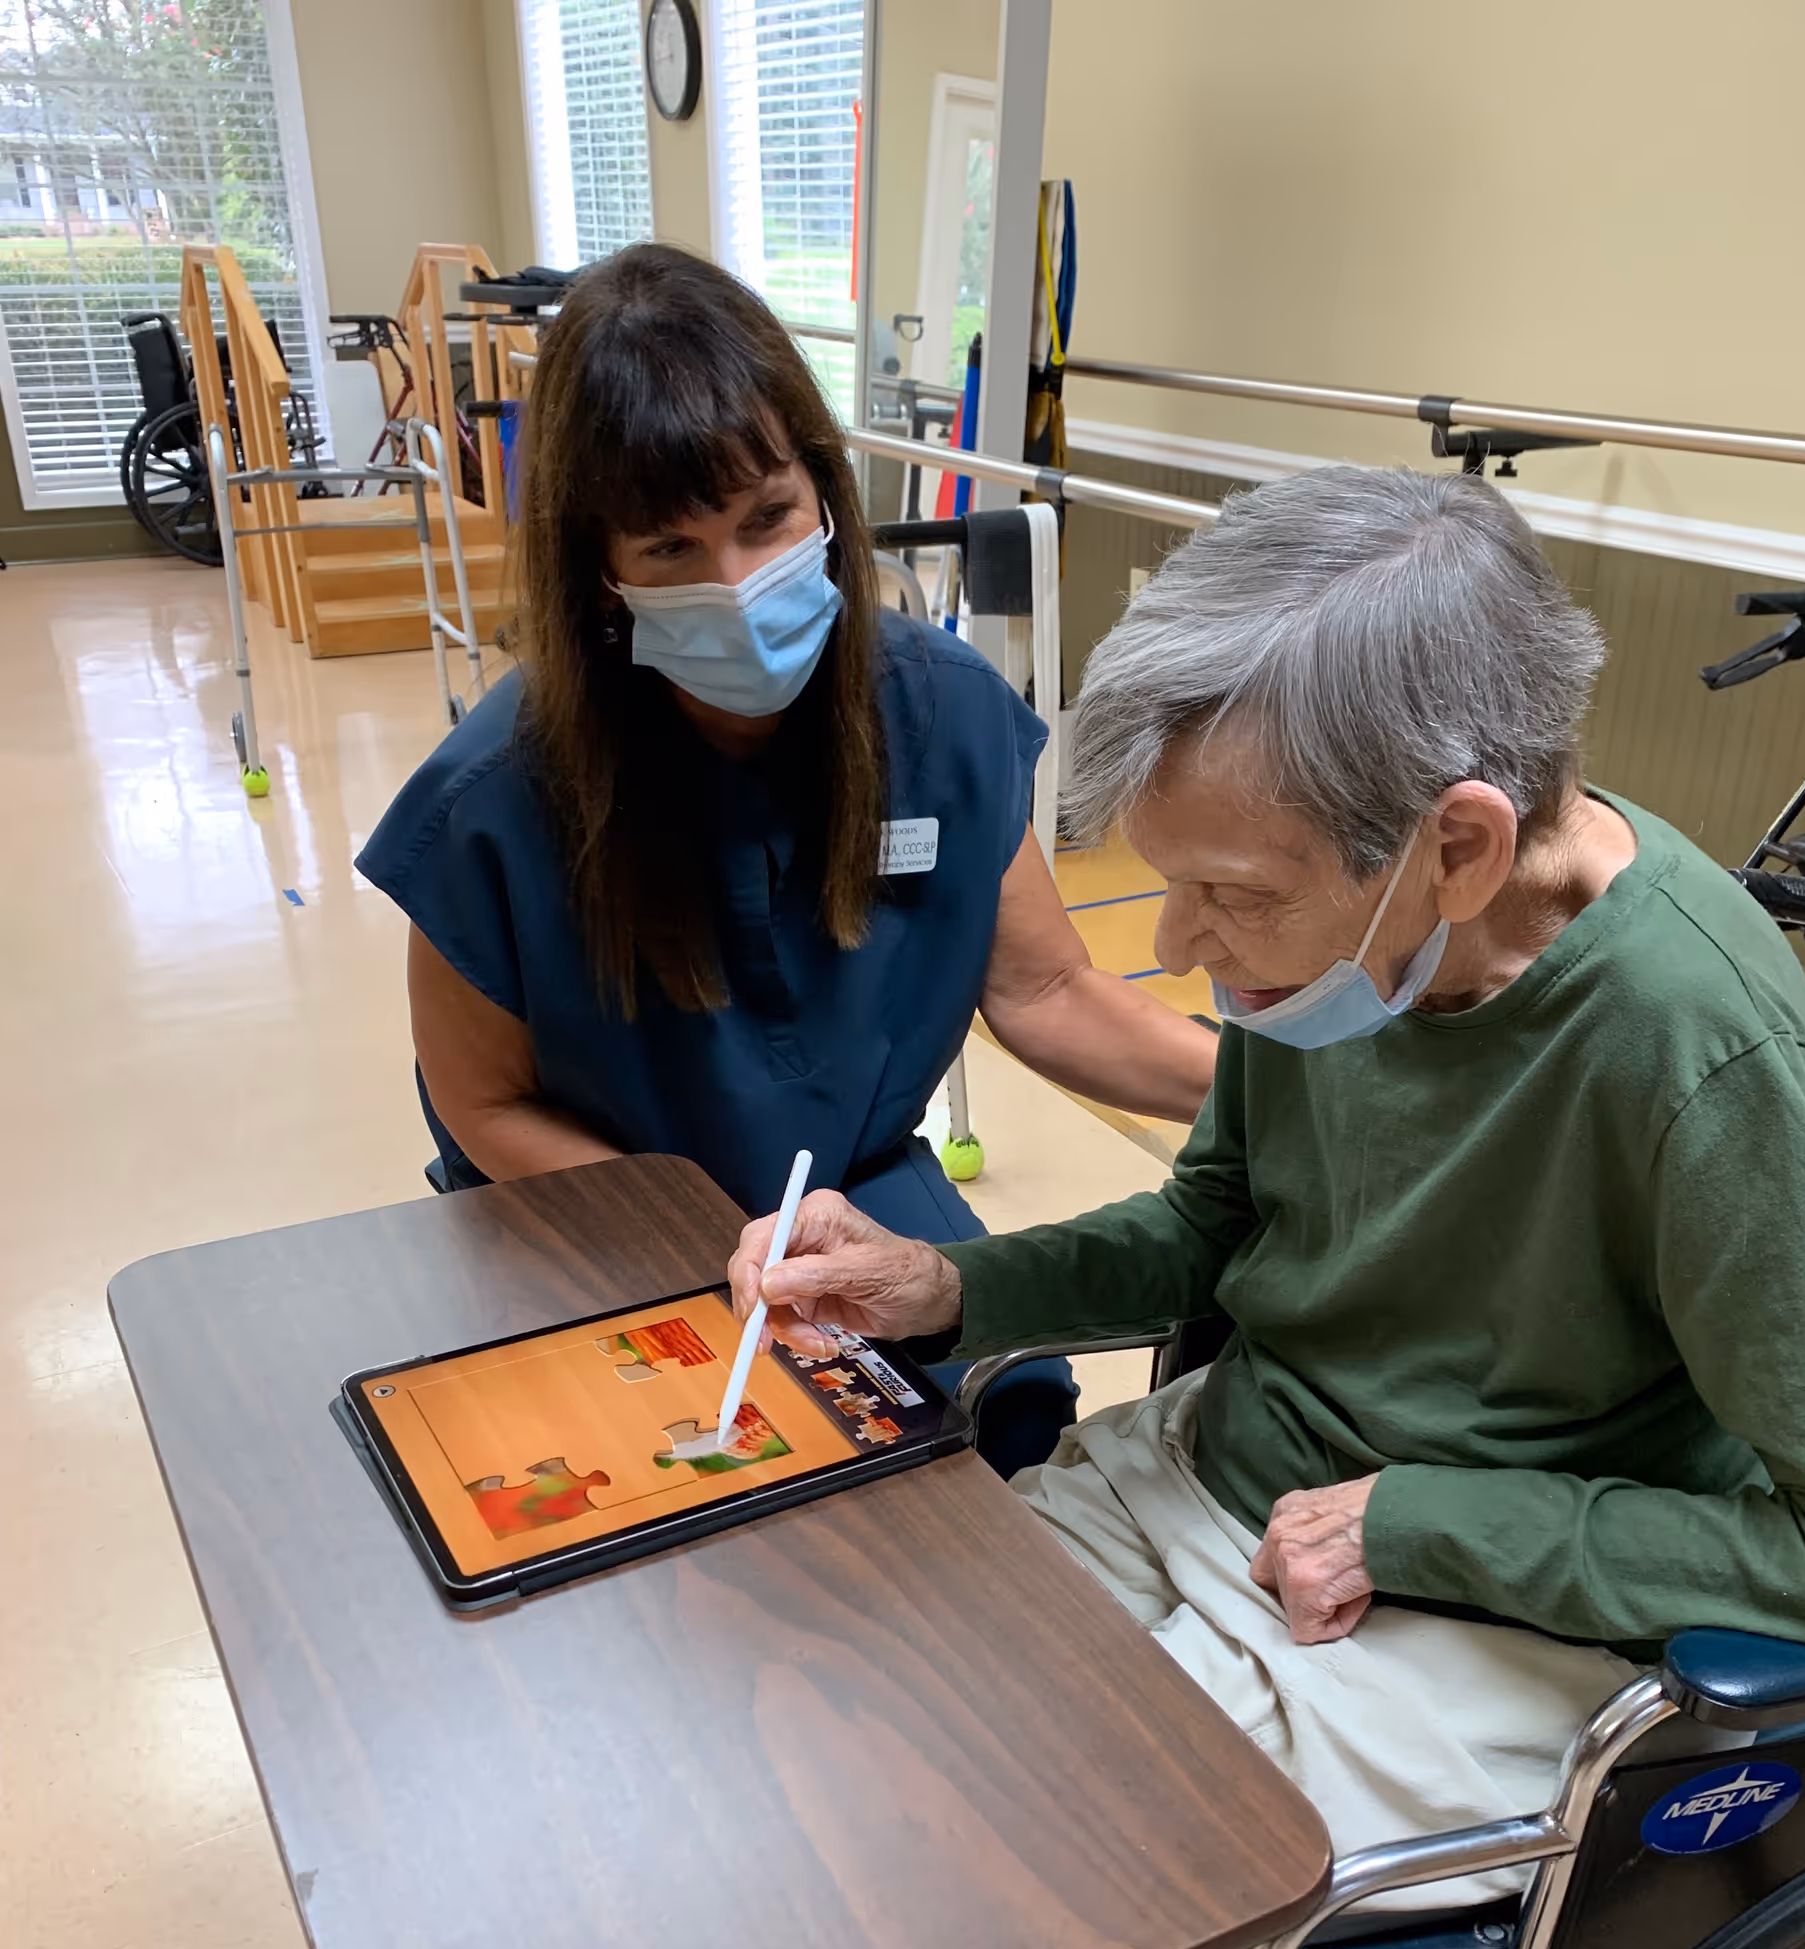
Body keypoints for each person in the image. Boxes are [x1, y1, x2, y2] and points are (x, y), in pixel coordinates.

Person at [527, 465, 1805, 1949]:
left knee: (1004, 1858)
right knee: (857, 1676)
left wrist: (1447, 1521)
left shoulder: (1679, 1049)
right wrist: (956, 1285)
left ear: (1454, 842)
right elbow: (1214, 1228)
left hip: (1488, 1591)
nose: (1178, 957)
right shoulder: (1341, 946)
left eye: (1230, 902)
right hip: (1247, 1466)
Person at [355, 242, 1217, 1489]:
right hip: (591, 1214)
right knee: (644, 1501)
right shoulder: (497, 796)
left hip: (852, 1198)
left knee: (1007, 1414)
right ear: (599, 568)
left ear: (823, 489)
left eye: (766, 520)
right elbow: (486, 1107)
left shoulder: (941, 712)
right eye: (669, 552)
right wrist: (706, 1238)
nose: (739, 582)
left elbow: (1042, 991)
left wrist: (1271, 1091)